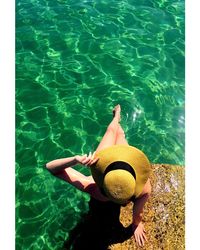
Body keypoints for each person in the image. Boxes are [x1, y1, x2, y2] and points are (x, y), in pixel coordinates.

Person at [46, 104, 152, 247]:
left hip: (105, 162)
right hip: (117, 162)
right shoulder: (143, 189)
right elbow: (137, 214)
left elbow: (51, 167)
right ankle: (116, 117)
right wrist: (135, 225)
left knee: (114, 132)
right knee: (117, 133)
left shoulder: (95, 190)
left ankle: (116, 119)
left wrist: (75, 160)